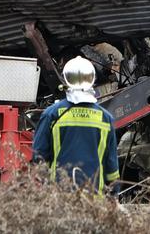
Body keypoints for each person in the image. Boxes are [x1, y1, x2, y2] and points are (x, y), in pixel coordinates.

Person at [32, 56, 119, 196]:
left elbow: (39, 157)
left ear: (66, 80)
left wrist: (44, 192)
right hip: (95, 202)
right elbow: (112, 168)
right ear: (92, 80)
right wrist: (113, 197)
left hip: (60, 201)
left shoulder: (52, 115)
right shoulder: (105, 118)